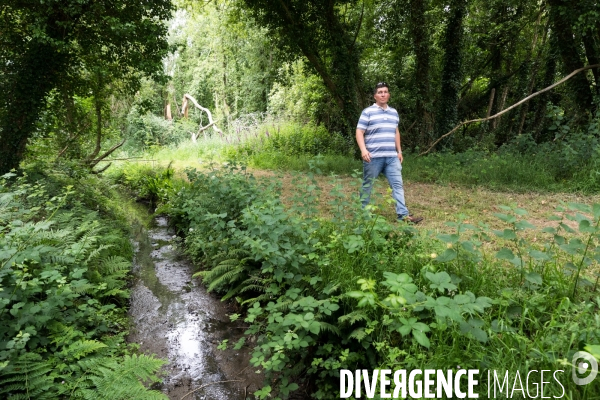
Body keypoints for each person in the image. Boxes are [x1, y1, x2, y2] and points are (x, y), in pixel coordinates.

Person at [356, 82, 423, 224]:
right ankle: (363, 214)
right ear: (375, 96)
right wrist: (363, 150)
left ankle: (403, 216)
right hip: (373, 157)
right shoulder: (367, 112)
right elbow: (359, 131)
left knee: (397, 185)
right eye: (380, 92)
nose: (383, 94)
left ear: (389, 95)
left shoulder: (394, 112)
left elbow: (396, 132)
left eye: (385, 92)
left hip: (392, 157)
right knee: (368, 184)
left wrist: (399, 151)